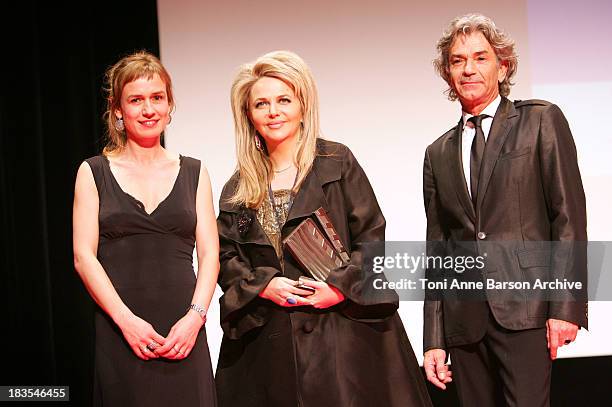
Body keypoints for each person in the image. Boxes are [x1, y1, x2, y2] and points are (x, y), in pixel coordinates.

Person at [215, 50, 432, 407]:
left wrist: (339, 288)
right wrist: (263, 286)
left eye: (284, 100)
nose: (273, 112)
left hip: (346, 337)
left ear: (302, 105)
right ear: (248, 115)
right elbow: (226, 257)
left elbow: (372, 237)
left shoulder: (336, 163)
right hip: (270, 347)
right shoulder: (238, 189)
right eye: (262, 104)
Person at [422, 14, 587, 406]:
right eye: (458, 60)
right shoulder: (437, 152)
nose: (469, 69)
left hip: (526, 311)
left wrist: (565, 306)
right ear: (448, 73)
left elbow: (567, 217)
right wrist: (433, 339)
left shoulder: (540, 120)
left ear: (503, 65)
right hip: (465, 321)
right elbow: (438, 249)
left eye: (480, 57)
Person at [72, 51, 218, 406]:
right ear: (118, 109)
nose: (148, 109)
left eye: (157, 98)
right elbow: (83, 257)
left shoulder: (194, 172)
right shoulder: (93, 172)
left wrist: (195, 320)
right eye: (136, 100)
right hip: (121, 333)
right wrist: (127, 322)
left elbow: (211, 254)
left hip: (184, 332)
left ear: (169, 105)